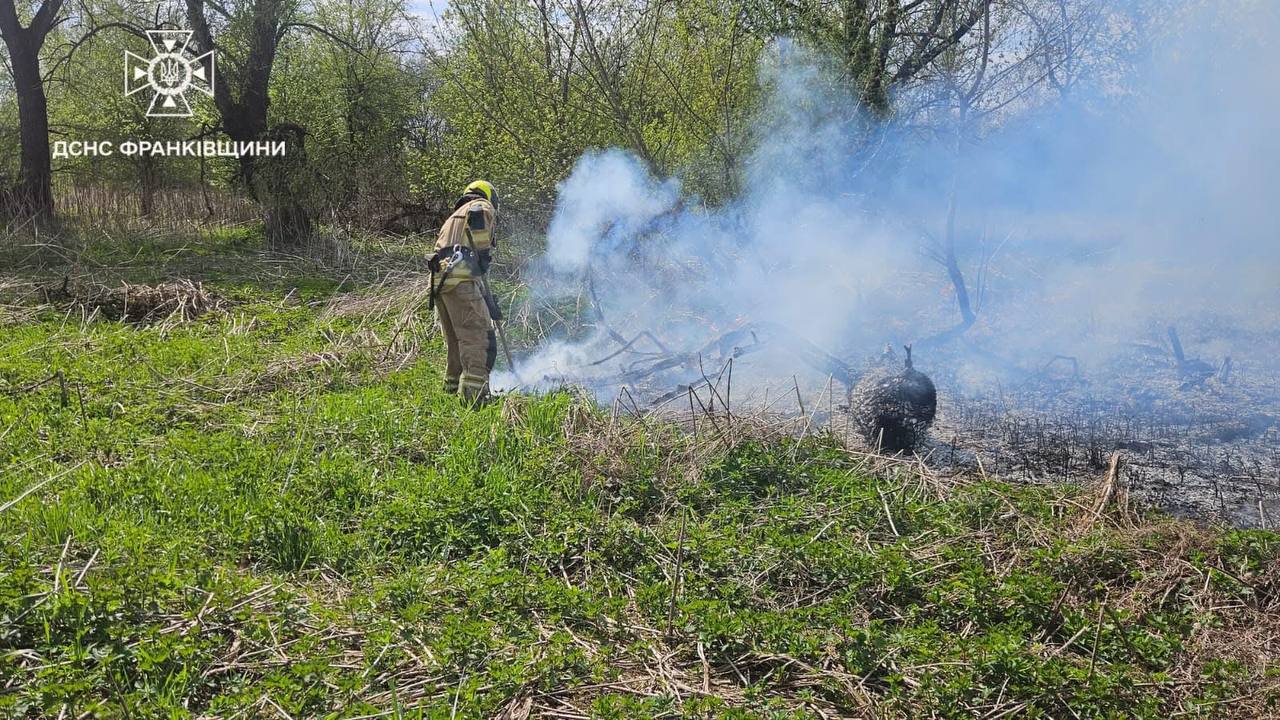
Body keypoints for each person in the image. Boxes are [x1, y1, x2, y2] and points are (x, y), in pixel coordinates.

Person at [428, 180, 499, 405]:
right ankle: (475, 400)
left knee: (456, 341)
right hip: (461, 280)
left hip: (440, 282)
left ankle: (449, 392)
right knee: (479, 338)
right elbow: (479, 221)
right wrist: (483, 255)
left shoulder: (453, 217)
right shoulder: (481, 206)